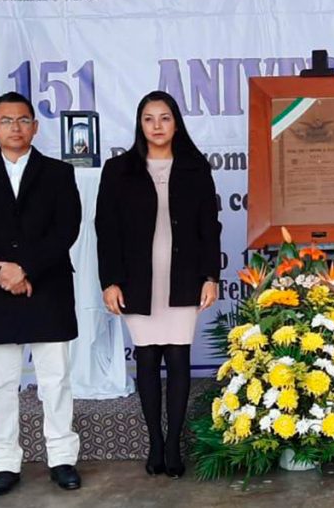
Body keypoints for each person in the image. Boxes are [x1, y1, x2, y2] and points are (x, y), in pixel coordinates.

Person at [0, 92, 83, 496]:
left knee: (55, 381)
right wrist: (4, 273)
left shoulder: (59, 173)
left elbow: (67, 228)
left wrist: (25, 268)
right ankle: (5, 464)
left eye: (23, 120)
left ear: (35, 126)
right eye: (6, 120)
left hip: (46, 286)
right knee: (2, 385)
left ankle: (62, 459)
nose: (15, 127)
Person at [95, 91, 221, 478]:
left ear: (176, 123)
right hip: (138, 278)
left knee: (179, 357)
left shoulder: (195, 168)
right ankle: (154, 440)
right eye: (149, 119)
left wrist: (211, 276)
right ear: (140, 124)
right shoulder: (118, 170)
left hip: (182, 275)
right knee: (147, 358)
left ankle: (173, 444)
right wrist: (110, 281)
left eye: (164, 118)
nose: (157, 126)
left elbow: (208, 228)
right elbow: (107, 230)